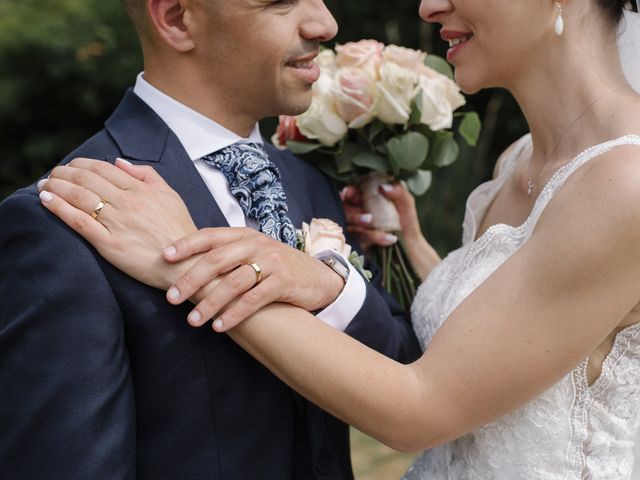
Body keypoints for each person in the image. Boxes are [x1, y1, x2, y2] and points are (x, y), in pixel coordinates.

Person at [30, 0, 640, 478]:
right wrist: (397, 260)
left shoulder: (623, 182)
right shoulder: (515, 165)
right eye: (280, 0)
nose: (427, 7)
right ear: (175, 18)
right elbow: (482, 342)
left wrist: (187, 261)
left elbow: (422, 403)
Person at [0, 0, 420, 478]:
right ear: (177, 19)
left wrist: (330, 287)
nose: (326, 23)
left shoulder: (312, 183)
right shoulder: (63, 220)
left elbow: (403, 365)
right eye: (281, 2)